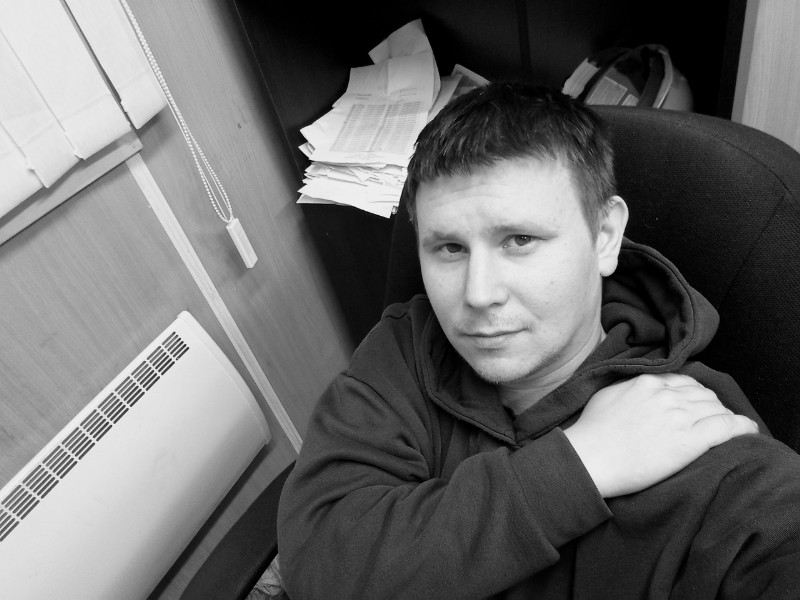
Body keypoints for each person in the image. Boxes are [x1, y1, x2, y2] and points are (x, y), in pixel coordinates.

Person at [277, 82, 800, 599]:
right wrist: (580, 464)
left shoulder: (706, 443)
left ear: (605, 237)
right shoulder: (407, 349)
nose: (478, 294)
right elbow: (320, 564)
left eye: (519, 240)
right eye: (450, 248)